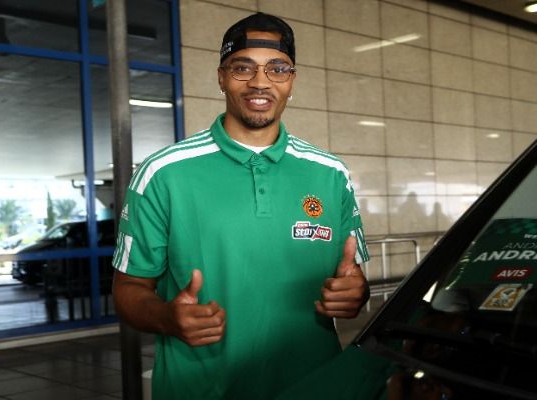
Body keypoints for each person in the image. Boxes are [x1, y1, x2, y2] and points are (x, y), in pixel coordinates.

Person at [112, 12, 370, 400]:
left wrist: (356, 294)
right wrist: (167, 317)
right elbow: (128, 289)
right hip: (200, 390)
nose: (260, 82)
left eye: (277, 68)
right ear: (221, 77)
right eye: (242, 67)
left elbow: (353, 278)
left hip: (313, 385)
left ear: (292, 80)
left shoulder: (331, 174)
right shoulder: (163, 173)